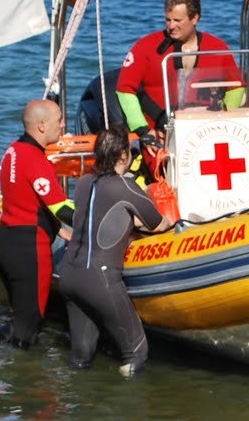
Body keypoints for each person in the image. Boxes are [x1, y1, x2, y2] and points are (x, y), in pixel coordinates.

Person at [60, 129, 175, 374]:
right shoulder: (126, 186)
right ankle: (129, 408)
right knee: (136, 351)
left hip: (69, 274)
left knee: (81, 357)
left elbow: (100, 215)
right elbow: (158, 223)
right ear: (124, 156)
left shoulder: (82, 183)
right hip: (99, 279)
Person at [115, 0, 245, 141]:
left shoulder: (218, 48)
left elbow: (236, 87)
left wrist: (224, 122)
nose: (171, 26)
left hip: (206, 134)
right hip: (157, 136)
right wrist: (143, 131)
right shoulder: (145, 47)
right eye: (168, 20)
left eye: (177, 20)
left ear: (195, 18)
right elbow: (124, 90)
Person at [0, 99, 74, 347]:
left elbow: (26, 199)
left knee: (20, 319)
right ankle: (25, 383)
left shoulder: (13, 150)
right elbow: (61, 208)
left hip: (6, 242)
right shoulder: (35, 159)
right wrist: (98, 215)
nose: (63, 124)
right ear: (41, 126)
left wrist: (58, 229)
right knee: (30, 324)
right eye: (59, 119)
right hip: (29, 250)